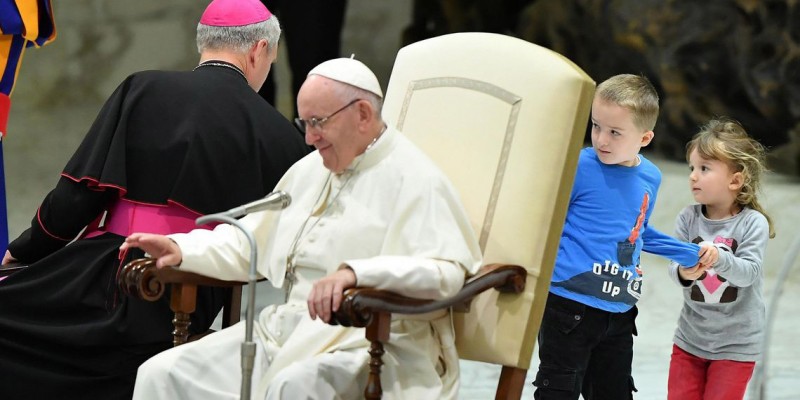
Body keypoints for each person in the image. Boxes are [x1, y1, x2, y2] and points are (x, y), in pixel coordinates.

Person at [121, 57, 482, 399]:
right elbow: (250, 241)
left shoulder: (416, 179)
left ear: (363, 114)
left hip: (372, 342)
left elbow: (445, 274)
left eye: (318, 122)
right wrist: (182, 248)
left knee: (292, 387)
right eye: (304, 123)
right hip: (289, 332)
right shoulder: (309, 171)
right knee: (161, 373)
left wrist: (356, 274)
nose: (309, 138)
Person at [0, 0, 309, 398]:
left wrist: (23, 251)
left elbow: (76, 197)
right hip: (189, 293)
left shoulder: (143, 88)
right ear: (259, 51)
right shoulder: (282, 136)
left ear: (205, 42)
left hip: (107, 272)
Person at [532, 74, 718, 399]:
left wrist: (689, 253)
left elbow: (637, 233)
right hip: (567, 307)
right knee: (557, 391)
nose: (601, 139)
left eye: (615, 132)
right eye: (596, 126)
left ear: (645, 138)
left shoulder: (650, 176)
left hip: (619, 313)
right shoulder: (579, 165)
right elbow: (545, 219)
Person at [666, 118, 774, 400]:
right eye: (692, 168)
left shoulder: (753, 224)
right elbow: (674, 267)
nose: (692, 175)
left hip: (736, 347)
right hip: (689, 342)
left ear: (735, 180)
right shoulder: (687, 218)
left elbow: (749, 273)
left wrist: (720, 259)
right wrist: (684, 272)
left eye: (704, 168)